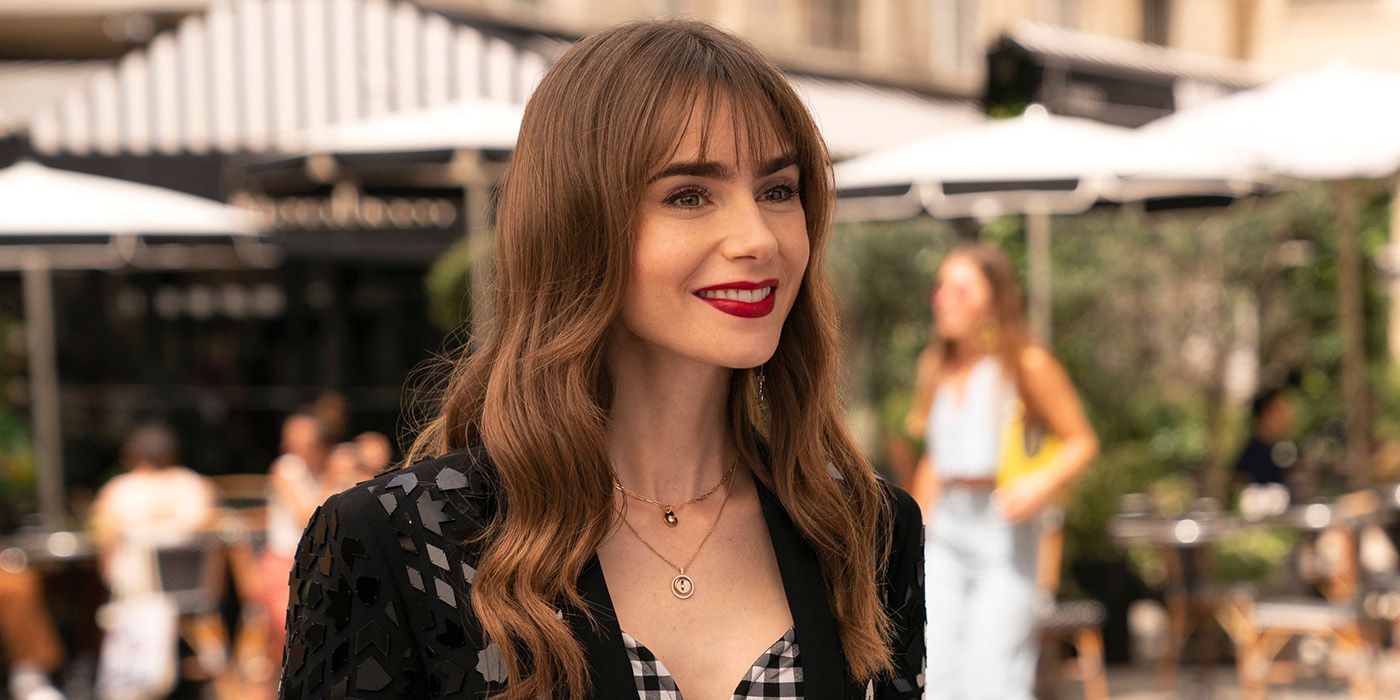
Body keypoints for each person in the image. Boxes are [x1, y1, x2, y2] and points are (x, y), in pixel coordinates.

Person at [279, 19, 924, 700]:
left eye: (778, 190)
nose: (757, 237)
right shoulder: (399, 543)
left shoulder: (866, 532)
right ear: (578, 225)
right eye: (689, 195)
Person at [905, 243, 1098, 700]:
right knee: (932, 673)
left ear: (993, 298)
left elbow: (1082, 441)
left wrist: (1040, 482)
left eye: (960, 289)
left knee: (992, 679)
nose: (943, 298)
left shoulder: (1025, 364)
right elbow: (937, 457)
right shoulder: (936, 365)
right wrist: (911, 533)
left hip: (1004, 530)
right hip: (947, 530)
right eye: (941, 288)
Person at [89, 423, 219, 599]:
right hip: (195, 591)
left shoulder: (118, 490)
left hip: (137, 592)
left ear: (130, 454)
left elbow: (105, 537)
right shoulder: (197, 485)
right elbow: (214, 530)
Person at [1232, 386, 1297, 494]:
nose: (1285, 417)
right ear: (1266, 413)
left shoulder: (1279, 451)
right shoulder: (1252, 454)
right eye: (1279, 410)